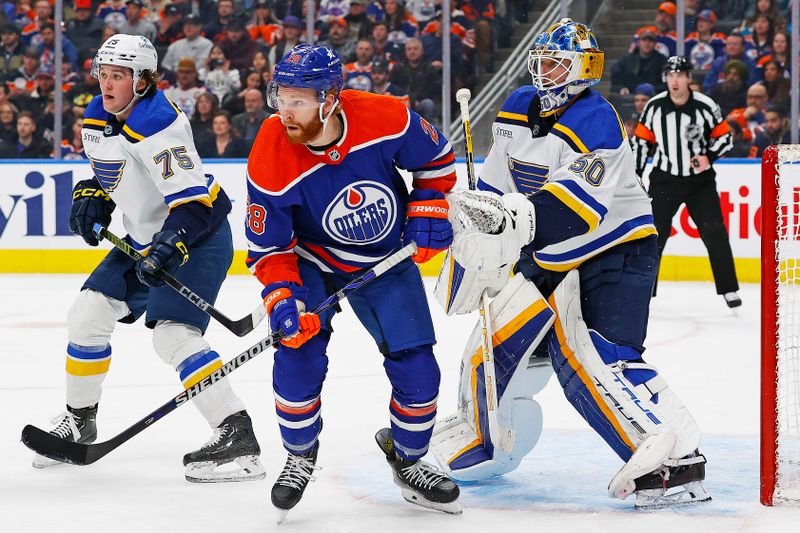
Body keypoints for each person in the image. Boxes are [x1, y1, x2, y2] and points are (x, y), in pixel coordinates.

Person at [431, 19, 709, 510]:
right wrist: (474, 228)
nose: (545, 72)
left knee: (595, 355)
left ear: (582, 71)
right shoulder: (517, 106)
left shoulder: (596, 120)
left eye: (557, 63)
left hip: (616, 249)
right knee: (492, 349)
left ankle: (678, 462)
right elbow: (496, 186)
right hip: (550, 255)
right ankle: (488, 442)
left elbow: (573, 212)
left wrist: (507, 225)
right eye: (541, 61)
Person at [31, 34, 265, 483]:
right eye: (103, 74)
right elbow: (110, 172)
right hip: (145, 238)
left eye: (118, 75)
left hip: (197, 237)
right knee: (87, 314)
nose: (106, 83)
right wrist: (92, 196)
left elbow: (194, 204)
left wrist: (169, 244)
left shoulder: (159, 122)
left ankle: (237, 434)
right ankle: (80, 421)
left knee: (174, 336)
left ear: (141, 81)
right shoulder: (98, 114)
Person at [246, 43, 461, 520]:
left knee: (419, 369)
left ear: (331, 99)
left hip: (385, 258)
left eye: (299, 100)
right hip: (311, 259)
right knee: (298, 357)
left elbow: (439, 161)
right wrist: (282, 298)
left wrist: (428, 206)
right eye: (281, 96)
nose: (285, 110)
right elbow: (270, 249)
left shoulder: (386, 116)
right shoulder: (270, 149)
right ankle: (300, 454)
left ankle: (408, 458)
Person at [633, 56, 740, 308]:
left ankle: (729, 289)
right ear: (665, 79)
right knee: (653, 235)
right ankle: (646, 289)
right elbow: (641, 142)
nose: (675, 80)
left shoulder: (705, 105)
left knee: (714, 231)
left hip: (699, 182)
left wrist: (709, 156)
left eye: (680, 75)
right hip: (664, 178)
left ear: (689, 78)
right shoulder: (654, 107)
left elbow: (726, 138)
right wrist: (636, 174)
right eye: (670, 75)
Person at [611, 27, 667, 95]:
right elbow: (616, 83)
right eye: (644, 40)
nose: (647, 43)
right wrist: (621, 88)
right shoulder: (625, 61)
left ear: (655, 43)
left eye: (650, 40)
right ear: (638, 42)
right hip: (631, 98)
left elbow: (666, 84)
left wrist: (655, 89)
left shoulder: (663, 61)